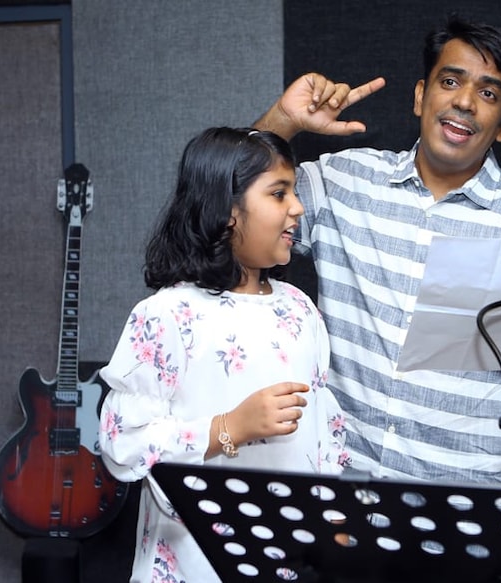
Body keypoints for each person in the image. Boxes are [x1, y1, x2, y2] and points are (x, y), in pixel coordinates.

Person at [253, 16, 501, 486]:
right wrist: (283, 121)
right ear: (421, 96)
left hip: (476, 512)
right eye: (451, 82)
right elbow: (227, 206)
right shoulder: (344, 182)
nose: (464, 102)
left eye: (488, 93)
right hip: (346, 499)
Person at [97, 127, 351, 583]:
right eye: (279, 193)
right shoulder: (167, 315)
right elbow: (123, 444)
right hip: (194, 564)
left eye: (294, 192)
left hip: (287, 560)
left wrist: (334, 517)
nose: (297, 207)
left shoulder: (299, 309)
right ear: (228, 212)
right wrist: (228, 428)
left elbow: (325, 433)